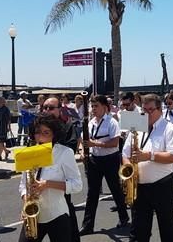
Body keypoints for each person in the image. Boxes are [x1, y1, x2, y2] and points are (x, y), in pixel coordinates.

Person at [122, 94, 173, 242]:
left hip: (162, 185)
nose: (147, 113)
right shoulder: (137, 126)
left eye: (150, 110)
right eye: (144, 110)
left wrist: (149, 156)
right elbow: (125, 152)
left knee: (167, 226)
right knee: (138, 229)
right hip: (140, 186)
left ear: (159, 109)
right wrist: (128, 167)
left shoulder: (169, 128)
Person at [18, 114, 82, 242]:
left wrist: (47, 184)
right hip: (34, 214)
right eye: (37, 132)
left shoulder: (65, 153)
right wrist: (26, 203)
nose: (40, 136)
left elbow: (77, 185)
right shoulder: (28, 152)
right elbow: (22, 185)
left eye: (46, 132)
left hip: (57, 214)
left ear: (54, 134)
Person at [79, 95, 129, 235]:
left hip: (110, 159)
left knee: (115, 189)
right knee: (92, 193)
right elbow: (83, 140)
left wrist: (95, 144)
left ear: (104, 107)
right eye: (92, 106)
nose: (93, 109)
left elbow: (114, 143)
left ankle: (123, 217)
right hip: (95, 160)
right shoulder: (90, 123)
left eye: (96, 106)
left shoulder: (112, 122)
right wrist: (83, 151)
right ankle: (87, 225)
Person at [38, 97, 82, 242]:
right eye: (45, 107)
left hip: (60, 180)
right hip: (39, 193)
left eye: (51, 108)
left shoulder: (68, 125)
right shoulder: (37, 126)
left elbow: (70, 147)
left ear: (59, 109)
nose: (47, 111)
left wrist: (53, 148)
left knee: (66, 216)